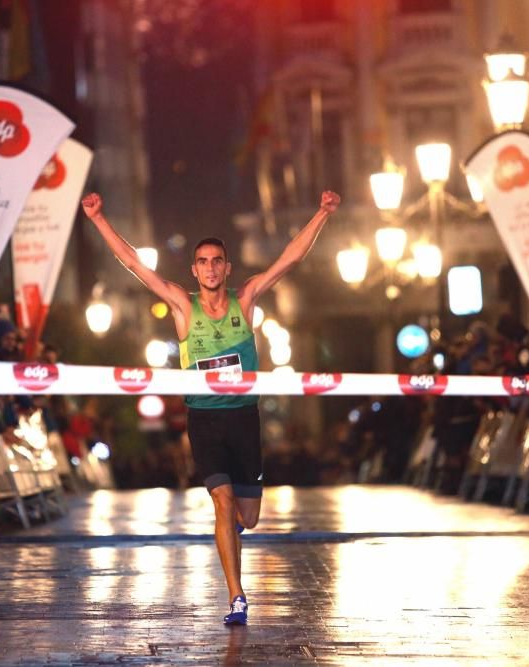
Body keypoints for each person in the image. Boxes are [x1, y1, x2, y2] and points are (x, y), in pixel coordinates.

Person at [81, 188, 340, 625]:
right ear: (194, 270)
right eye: (202, 261)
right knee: (221, 503)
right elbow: (135, 265)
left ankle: (232, 533)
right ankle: (237, 597)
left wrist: (323, 214)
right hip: (204, 419)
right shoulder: (183, 306)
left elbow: (289, 260)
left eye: (217, 260)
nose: (210, 267)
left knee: (249, 517)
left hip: (244, 418)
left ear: (227, 267)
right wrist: (98, 218)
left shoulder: (246, 299)